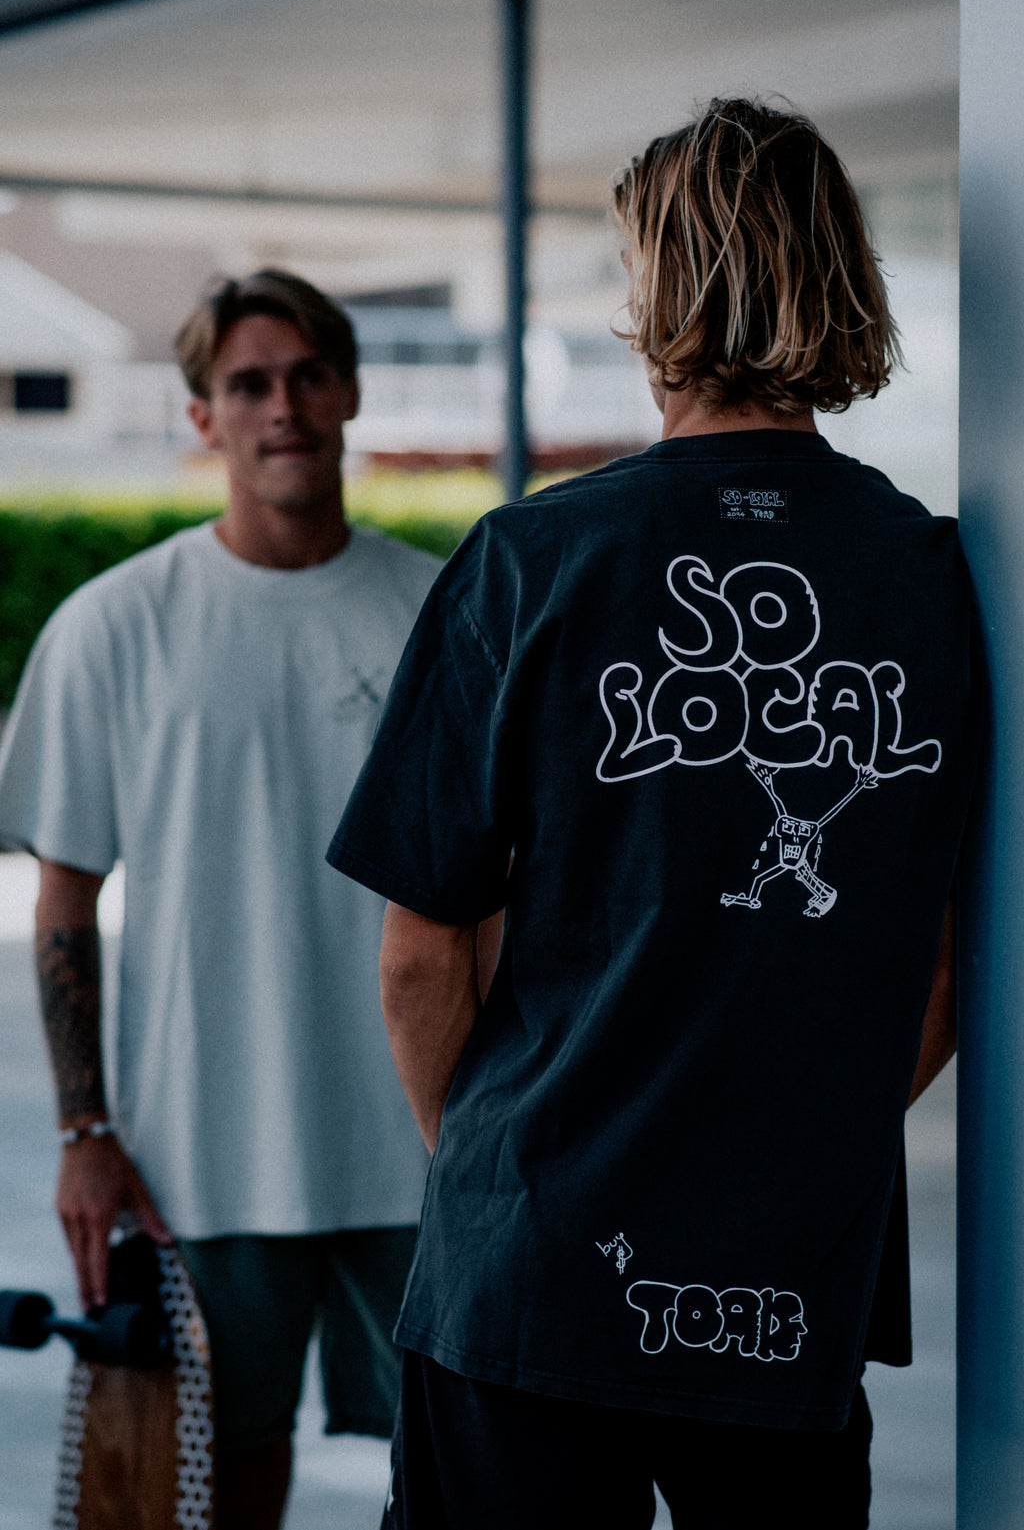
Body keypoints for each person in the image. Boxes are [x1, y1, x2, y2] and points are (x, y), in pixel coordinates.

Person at [325, 99, 980, 1529]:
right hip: (788, 1280)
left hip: (533, 1264)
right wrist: (792, 1132)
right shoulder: (940, 582)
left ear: (664, 286)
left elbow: (420, 953)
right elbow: (945, 968)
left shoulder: (531, 560)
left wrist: (500, 1177)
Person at [0, 269, 439, 1529]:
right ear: (201, 415)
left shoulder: (442, 612)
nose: (282, 406)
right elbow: (64, 896)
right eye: (248, 384)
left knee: (463, 1474)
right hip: (200, 1159)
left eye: (308, 376)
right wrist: (84, 1133)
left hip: (426, 1147)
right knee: (216, 1485)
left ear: (350, 392)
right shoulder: (112, 627)